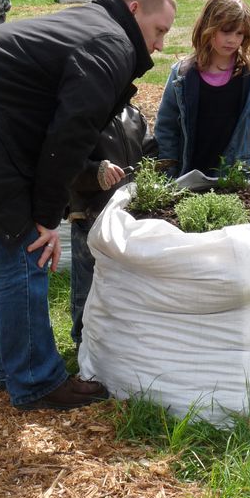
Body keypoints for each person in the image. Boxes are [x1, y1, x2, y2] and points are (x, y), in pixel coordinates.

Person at [0, 0, 176, 410]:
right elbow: (70, 135)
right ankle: (36, 382)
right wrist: (44, 217)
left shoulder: (85, 25)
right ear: (133, 10)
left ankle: (11, 368)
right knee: (24, 252)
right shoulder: (110, 42)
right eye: (159, 31)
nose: (160, 45)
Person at [155, 0, 250, 178]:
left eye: (239, 33)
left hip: (236, 176)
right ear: (208, 27)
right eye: (226, 31)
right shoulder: (182, 75)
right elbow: (166, 127)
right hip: (189, 174)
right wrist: (166, 174)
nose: (232, 39)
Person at [69, 97, 157, 347]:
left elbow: (149, 150)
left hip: (127, 216)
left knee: (125, 281)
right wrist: (95, 171)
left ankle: (118, 342)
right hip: (90, 213)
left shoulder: (132, 113)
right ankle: (81, 338)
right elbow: (62, 162)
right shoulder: (80, 113)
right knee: (87, 284)